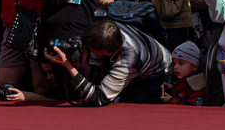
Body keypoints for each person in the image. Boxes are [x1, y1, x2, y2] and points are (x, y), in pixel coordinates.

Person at [13, 18, 172, 106]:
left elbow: (99, 98)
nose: (84, 48)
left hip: (157, 74)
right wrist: (81, 62)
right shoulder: (108, 30)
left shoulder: (128, 59)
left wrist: (67, 64)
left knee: (132, 106)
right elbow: (95, 70)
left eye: (88, 48)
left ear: (103, 52)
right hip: (141, 58)